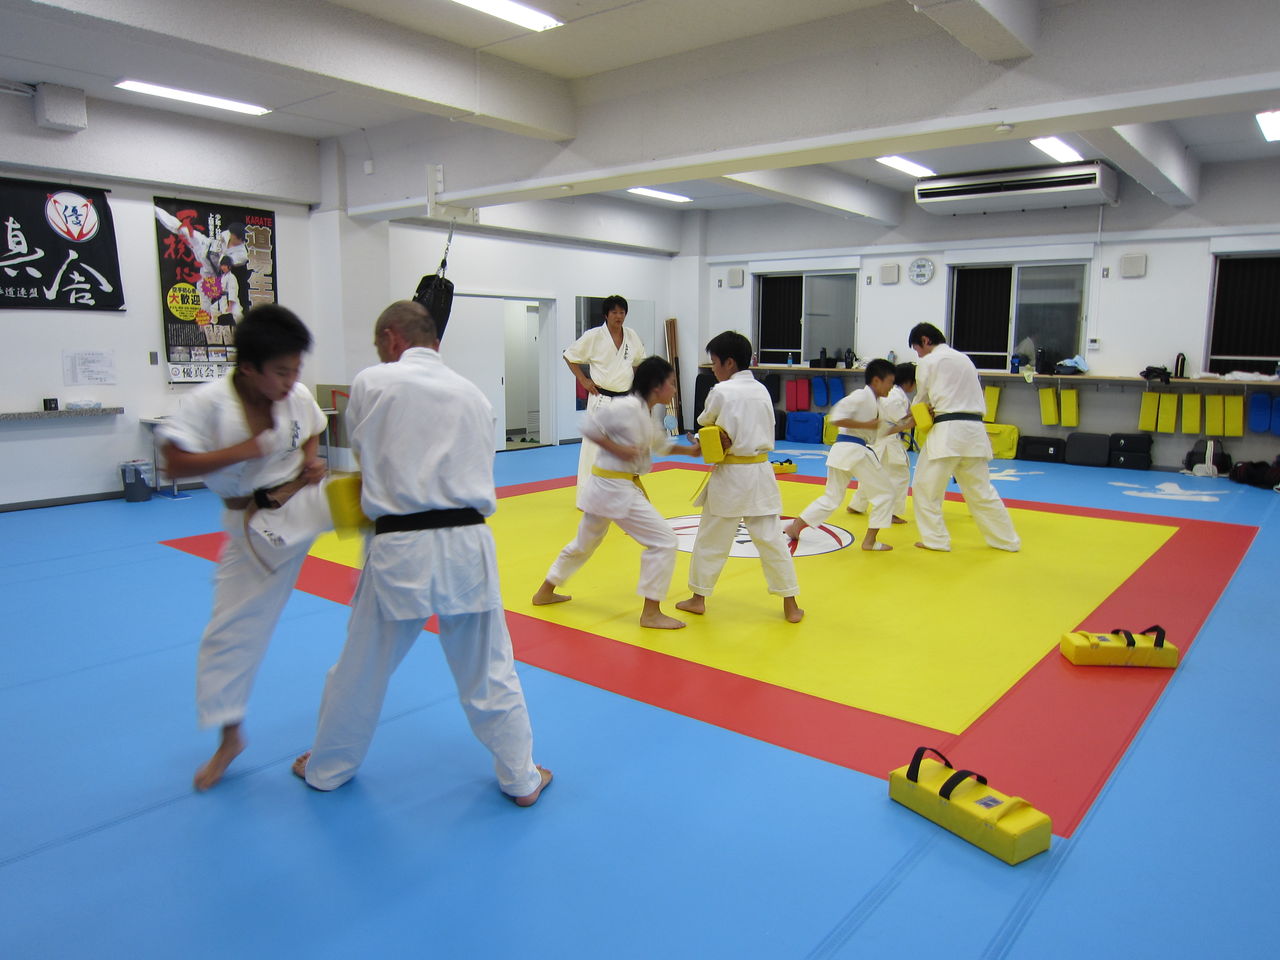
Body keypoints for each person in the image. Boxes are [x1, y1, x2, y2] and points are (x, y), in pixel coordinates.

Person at [293, 300, 550, 806]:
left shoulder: (372, 382)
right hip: (468, 543)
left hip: (400, 543)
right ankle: (521, 779)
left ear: (392, 338)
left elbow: (368, 455)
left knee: (361, 668)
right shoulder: (476, 396)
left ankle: (327, 770)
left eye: (379, 345)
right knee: (490, 668)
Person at [157, 304, 330, 791]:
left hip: (305, 505)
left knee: (388, 519)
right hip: (254, 527)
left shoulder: (296, 395)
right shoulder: (208, 403)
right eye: (282, 371)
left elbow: (314, 426)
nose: (292, 381)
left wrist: (311, 461)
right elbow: (173, 463)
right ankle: (230, 736)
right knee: (228, 635)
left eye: (297, 369)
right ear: (249, 368)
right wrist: (245, 450)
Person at [533, 356, 701, 629]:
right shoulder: (626, 407)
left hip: (605, 488)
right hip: (615, 488)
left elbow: (660, 445)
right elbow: (587, 426)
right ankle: (651, 613)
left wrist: (691, 451)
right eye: (671, 383)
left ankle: (545, 592)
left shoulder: (644, 413)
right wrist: (618, 449)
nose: (674, 389)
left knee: (584, 544)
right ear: (656, 386)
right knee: (664, 541)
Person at [676, 331, 803, 623]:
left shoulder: (722, 391)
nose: (713, 369)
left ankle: (698, 598)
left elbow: (705, 422)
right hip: (760, 472)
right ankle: (790, 604)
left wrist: (701, 437)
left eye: (715, 363)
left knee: (711, 539)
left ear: (729, 363)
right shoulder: (762, 390)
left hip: (731, 475)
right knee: (771, 540)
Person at [908, 323, 1020, 553]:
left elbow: (921, 400)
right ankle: (1007, 541)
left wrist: (912, 414)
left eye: (917, 349)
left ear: (925, 340)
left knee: (925, 488)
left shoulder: (929, 361)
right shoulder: (965, 359)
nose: (918, 355)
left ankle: (936, 540)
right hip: (975, 431)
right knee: (981, 491)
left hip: (947, 432)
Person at [785, 358, 898, 551]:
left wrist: (908, 423)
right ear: (877, 381)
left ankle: (796, 527)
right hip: (855, 451)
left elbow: (881, 431)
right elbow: (836, 418)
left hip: (843, 452)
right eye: (890, 382)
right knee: (885, 494)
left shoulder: (877, 403)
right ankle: (869, 542)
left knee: (832, 498)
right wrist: (865, 425)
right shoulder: (860, 397)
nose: (891, 387)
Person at [563, 294, 647, 508]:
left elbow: (639, 361)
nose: (619, 316)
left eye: (622, 312)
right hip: (601, 399)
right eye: (614, 312)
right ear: (606, 315)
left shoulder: (631, 336)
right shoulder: (594, 336)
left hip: (624, 400)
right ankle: (587, 497)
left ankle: (619, 495)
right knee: (593, 448)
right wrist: (583, 380)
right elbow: (570, 356)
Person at [848, 361, 916, 523]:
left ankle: (857, 504)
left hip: (879, 439)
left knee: (873, 474)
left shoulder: (893, 393)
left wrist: (911, 414)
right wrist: (914, 416)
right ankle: (892, 512)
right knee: (899, 475)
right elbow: (898, 417)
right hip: (888, 441)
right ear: (909, 381)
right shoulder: (895, 395)